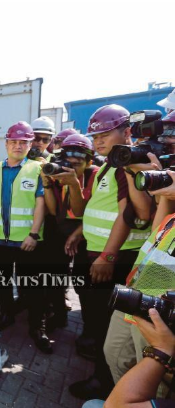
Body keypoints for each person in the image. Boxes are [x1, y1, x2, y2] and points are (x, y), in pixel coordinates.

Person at [69, 104, 153, 400]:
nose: (99, 141)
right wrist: (80, 232)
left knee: (106, 325)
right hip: (98, 251)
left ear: (127, 132)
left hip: (115, 258)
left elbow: (131, 215)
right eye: (95, 136)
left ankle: (104, 384)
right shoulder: (109, 164)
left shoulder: (125, 166)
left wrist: (108, 256)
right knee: (96, 320)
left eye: (105, 134)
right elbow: (99, 207)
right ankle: (101, 375)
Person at [103, 112, 175, 399]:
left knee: (154, 375)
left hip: (164, 300)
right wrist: (165, 194)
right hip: (141, 287)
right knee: (115, 354)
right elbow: (157, 228)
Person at [0, 121, 51, 353]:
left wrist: (33, 234)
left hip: (27, 242)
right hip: (0, 239)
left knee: (34, 285)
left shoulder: (37, 169)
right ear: (6, 143)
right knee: (5, 282)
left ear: (30, 145)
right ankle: (6, 314)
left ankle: (37, 327)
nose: (18, 146)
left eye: (23, 142)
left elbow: (41, 204)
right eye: (14, 142)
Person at [42, 134, 99, 335]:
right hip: (60, 227)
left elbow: (84, 211)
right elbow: (52, 211)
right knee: (55, 275)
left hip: (85, 229)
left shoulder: (96, 176)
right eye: (69, 162)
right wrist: (47, 183)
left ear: (89, 161)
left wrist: (74, 184)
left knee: (82, 279)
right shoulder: (58, 170)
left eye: (78, 164)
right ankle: (58, 315)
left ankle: (90, 328)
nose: (71, 168)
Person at [82, 308, 175, 408]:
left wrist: (161, 350)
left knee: (90, 405)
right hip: (151, 295)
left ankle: (136, 399)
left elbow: (114, 406)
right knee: (116, 356)